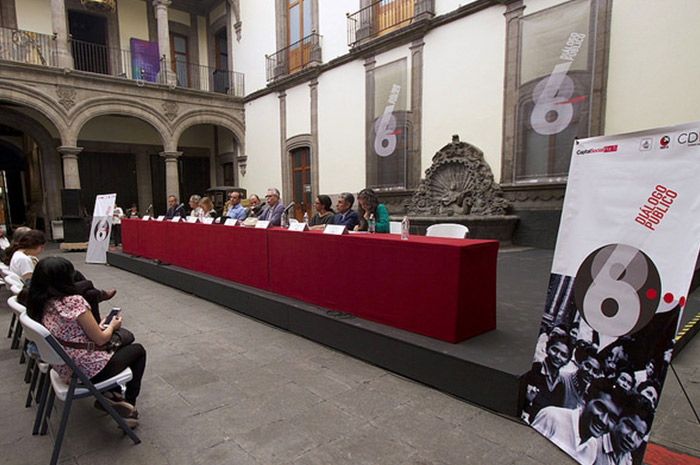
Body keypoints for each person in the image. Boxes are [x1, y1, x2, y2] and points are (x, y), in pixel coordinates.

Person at [26, 257, 146, 428]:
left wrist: (100, 326)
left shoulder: (40, 303)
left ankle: (112, 394)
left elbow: (71, 331)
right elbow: (101, 339)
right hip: (86, 371)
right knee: (138, 350)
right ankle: (128, 405)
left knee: (123, 343)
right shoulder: (73, 302)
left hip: (64, 368)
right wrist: (112, 326)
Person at [532, 378, 626, 465]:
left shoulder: (592, 448)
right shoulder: (551, 417)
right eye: (600, 408)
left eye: (612, 418)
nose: (603, 421)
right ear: (585, 398)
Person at [523, 333, 573, 421]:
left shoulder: (562, 384)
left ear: (567, 361)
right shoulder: (532, 370)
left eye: (563, 355)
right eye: (554, 350)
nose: (557, 356)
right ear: (547, 348)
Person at [594, 397, 652, 465]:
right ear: (618, 420)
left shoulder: (628, 459)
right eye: (629, 426)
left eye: (639, 435)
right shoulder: (594, 446)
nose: (631, 438)